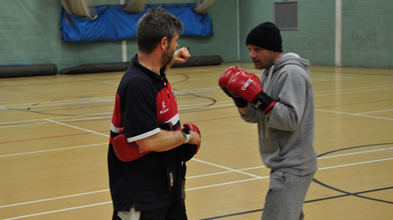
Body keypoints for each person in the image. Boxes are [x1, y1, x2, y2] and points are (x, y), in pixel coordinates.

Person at [107, 7, 201, 220]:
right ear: (164, 43)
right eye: (175, 42)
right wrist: (187, 136)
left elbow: (155, 72)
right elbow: (148, 140)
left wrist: (171, 58)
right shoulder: (136, 84)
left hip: (167, 188)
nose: (178, 46)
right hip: (142, 196)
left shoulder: (153, 72)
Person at [219, 22, 318, 220]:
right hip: (282, 164)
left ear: (274, 50)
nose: (251, 55)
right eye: (249, 49)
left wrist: (259, 98)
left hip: (293, 167)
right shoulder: (267, 73)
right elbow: (256, 116)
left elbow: (290, 119)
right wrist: (238, 98)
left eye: (257, 49)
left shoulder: (292, 73)